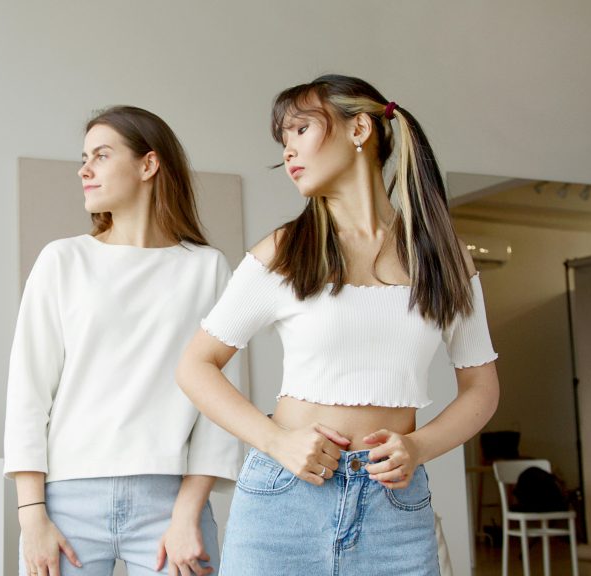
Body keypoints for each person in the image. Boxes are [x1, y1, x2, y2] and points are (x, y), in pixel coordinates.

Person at [176, 75, 500, 575]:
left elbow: (481, 386)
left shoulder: (443, 259)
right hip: (283, 500)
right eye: (283, 140)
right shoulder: (284, 251)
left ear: (360, 129)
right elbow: (196, 366)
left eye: (301, 130)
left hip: (394, 509)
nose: (288, 151)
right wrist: (276, 441)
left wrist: (419, 447)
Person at [4, 106, 243, 576]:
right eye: (84, 158)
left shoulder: (207, 268)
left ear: (148, 164)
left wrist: (188, 514)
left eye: (101, 155)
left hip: (172, 505)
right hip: (65, 504)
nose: (84, 170)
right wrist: (31, 517)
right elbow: (28, 391)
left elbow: (220, 403)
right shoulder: (62, 260)